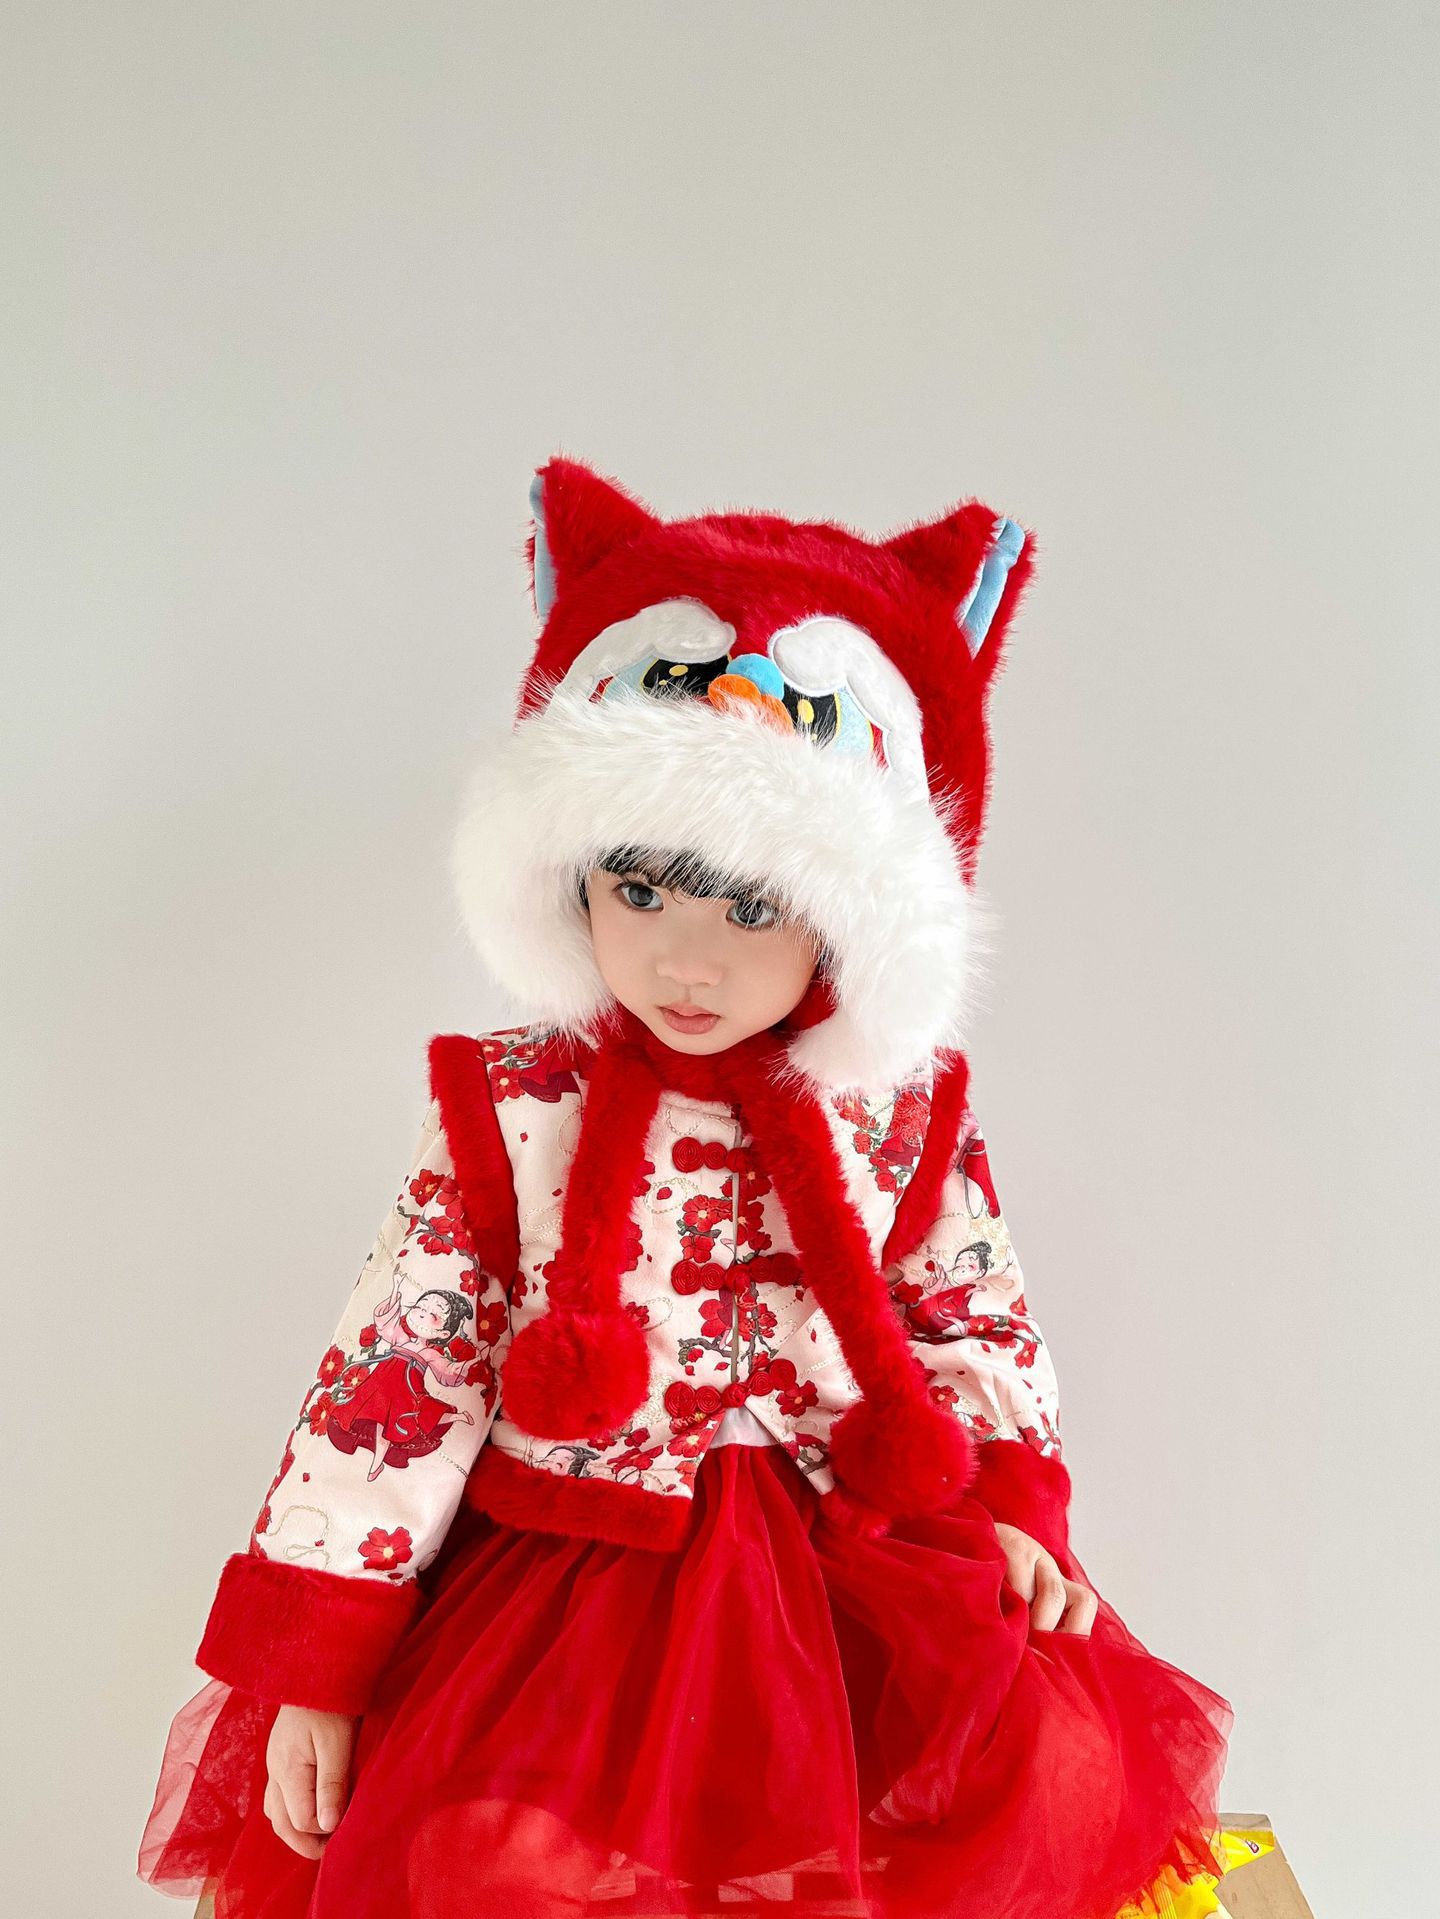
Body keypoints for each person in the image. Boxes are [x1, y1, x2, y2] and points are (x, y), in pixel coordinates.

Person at [138, 458, 1233, 1919]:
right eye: (641, 890)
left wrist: (1019, 1504)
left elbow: (972, 1315)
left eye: (754, 907)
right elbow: (404, 1368)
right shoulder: (516, 1107)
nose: (685, 959)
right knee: (504, 1858)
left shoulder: (895, 1114)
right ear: (571, 878)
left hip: (854, 1573)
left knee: (1020, 1790)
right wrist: (321, 1660)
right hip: (567, 1586)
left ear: (848, 918)